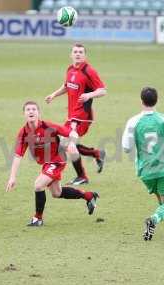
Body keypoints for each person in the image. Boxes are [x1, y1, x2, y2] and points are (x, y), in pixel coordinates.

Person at [6, 101, 99, 226]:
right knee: (56, 193)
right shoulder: (23, 133)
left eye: (34, 109)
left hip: (57, 160)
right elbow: (18, 156)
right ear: (24, 114)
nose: (31, 111)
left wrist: (71, 143)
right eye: (28, 110)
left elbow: (73, 133)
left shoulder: (48, 126)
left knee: (38, 185)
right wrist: (12, 177)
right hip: (47, 163)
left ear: (39, 113)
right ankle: (88, 196)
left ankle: (38, 219)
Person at [121, 87, 164, 241]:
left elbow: (126, 148)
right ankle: (153, 220)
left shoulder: (133, 121)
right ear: (157, 100)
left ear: (141, 101)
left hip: (145, 171)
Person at [45, 43, 107, 185]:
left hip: (82, 117)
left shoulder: (88, 71)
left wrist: (89, 95)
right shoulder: (70, 69)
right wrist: (53, 95)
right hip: (72, 115)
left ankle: (82, 176)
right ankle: (96, 154)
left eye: (80, 52)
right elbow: (67, 86)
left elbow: (103, 90)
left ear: (85, 55)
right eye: (75, 52)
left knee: (68, 144)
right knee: (66, 143)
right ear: (71, 54)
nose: (78, 54)